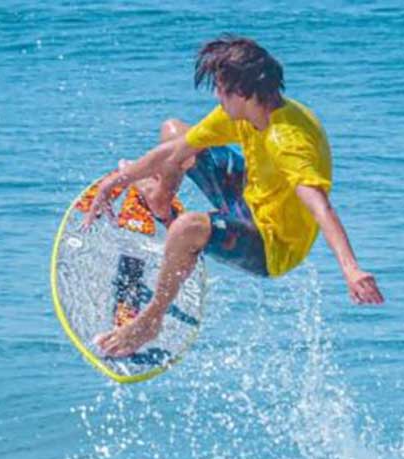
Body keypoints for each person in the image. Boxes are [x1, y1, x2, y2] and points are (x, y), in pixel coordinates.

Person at [84, 35, 384, 358]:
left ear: (242, 93)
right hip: (254, 196)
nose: (216, 95)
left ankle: (151, 320)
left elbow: (320, 206)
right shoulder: (247, 113)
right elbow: (177, 150)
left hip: (273, 244)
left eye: (220, 88)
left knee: (188, 227)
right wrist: (118, 181)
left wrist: (351, 269)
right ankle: (159, 200)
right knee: (174, 130)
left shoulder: (288, 141)